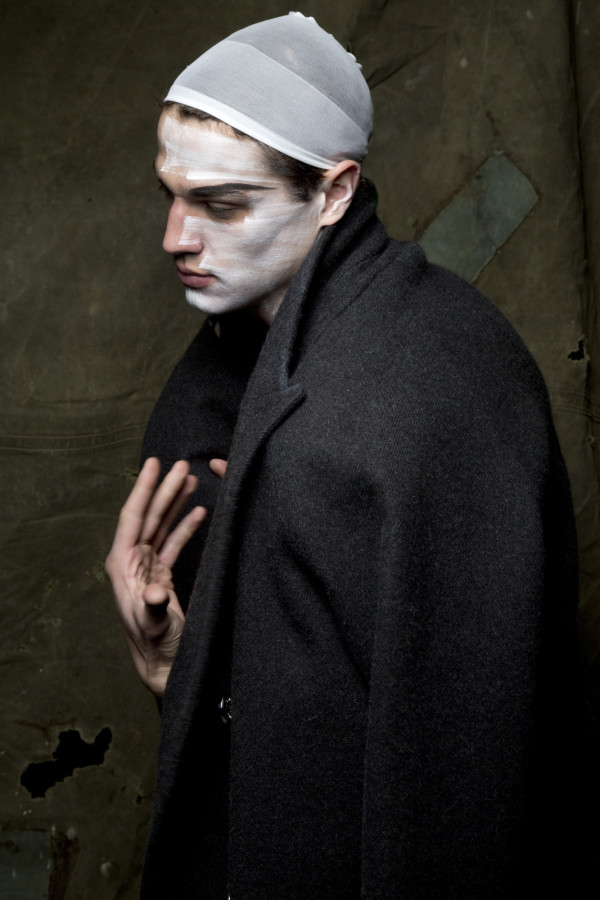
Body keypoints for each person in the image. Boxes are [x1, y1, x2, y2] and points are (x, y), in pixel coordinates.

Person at [106, 13, 587, 898]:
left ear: (333, 193)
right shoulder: (221, 368)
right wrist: (179, 666)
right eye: (170, 194)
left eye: (223, 204)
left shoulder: (437, 389)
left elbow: (464, 787)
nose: (176, 236)